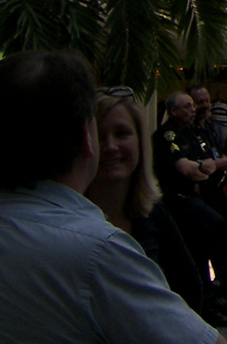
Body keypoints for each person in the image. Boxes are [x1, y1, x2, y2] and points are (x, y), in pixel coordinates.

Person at [0, 51, 222, 344]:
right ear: (86, 138)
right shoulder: (99, 253)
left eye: (122, 134)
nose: (111, 146)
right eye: (99, 130)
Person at [87, 88, 204, 314]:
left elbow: (189, 289)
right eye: (100, 136)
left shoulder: (154, 213)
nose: (110, 146)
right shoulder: (64, 215)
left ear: (140, 142)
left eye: (121, 134)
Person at [156, 89, 227, 325]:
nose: (193, 110)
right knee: (209, 237)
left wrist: (210, 165)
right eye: (187, 106)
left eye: (194, 105)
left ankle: (220, 291)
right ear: (173, 110)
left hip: (206, 194)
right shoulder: (168, 135)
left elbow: (206, 164)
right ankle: (208, 301)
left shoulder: (195, 132)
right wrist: (210, 165)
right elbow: (190, 170)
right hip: (180, 199)